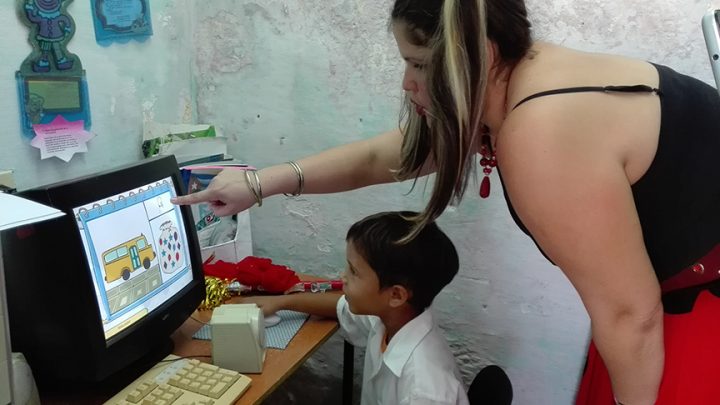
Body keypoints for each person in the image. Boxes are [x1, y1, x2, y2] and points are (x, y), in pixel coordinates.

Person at [173, 0, 720, 404]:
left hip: (692, 319)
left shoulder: (541, 129)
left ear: (476, 54)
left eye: (418, 63)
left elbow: (631, 315)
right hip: (655, 312)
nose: (408, 84)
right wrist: (258, 184)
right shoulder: (515, 73)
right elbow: (377, 159)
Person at [245, 211, 469, 405]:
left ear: (396, 294)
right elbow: (339, 306)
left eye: (354, 271)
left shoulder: (425, 392)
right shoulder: (391, 319)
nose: (343, 277)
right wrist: (281, 302)